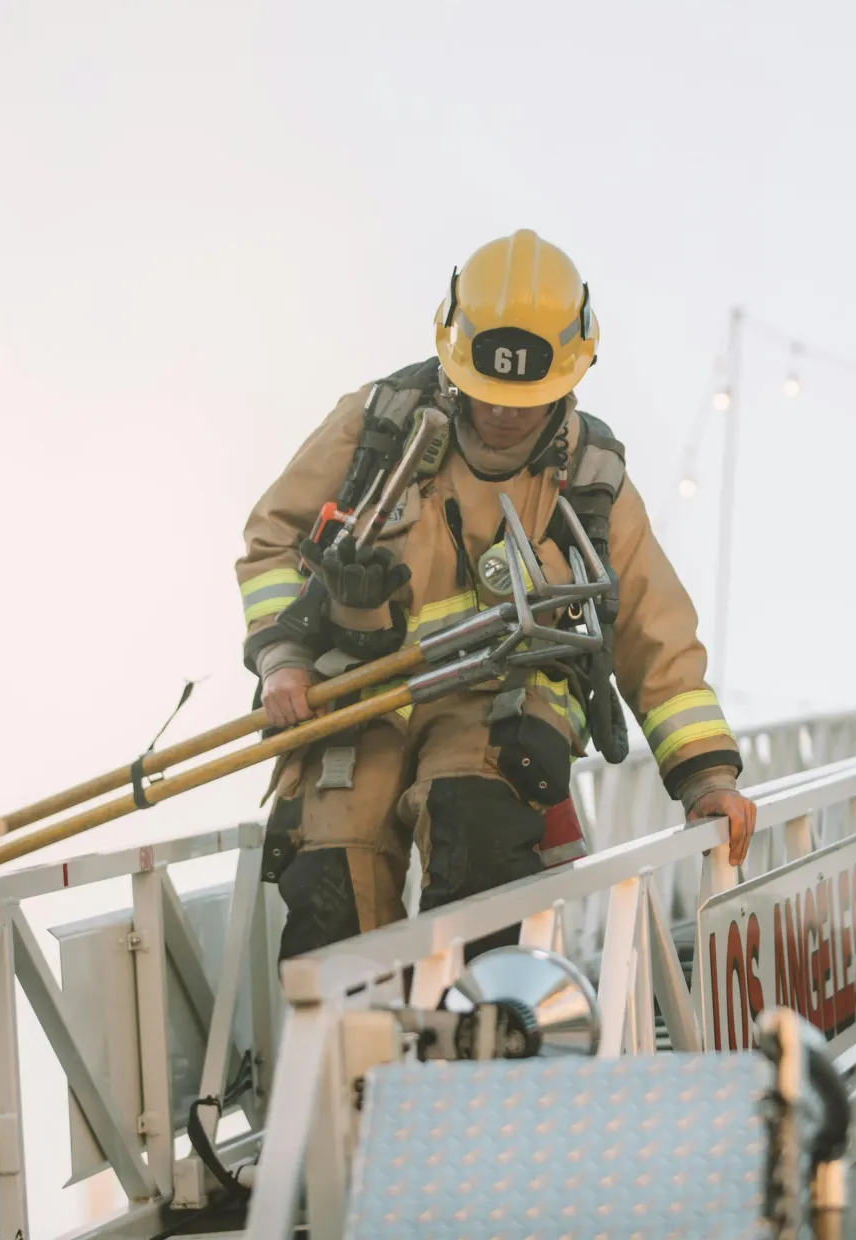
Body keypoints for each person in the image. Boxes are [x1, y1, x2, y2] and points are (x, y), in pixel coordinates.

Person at [236, 229, 757, 961]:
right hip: (356, 695)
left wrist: (706, 776)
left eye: (529, 399)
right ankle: (352, 1068)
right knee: (332, 873)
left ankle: (475, 1050)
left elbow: (653, 633)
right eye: (488, 394)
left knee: (475, 830)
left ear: (574, 372)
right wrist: (284, 660)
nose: (506, 414)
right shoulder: (375, 428)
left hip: (498, 703)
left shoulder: (591, 478)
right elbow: (273, 541)